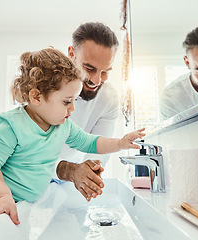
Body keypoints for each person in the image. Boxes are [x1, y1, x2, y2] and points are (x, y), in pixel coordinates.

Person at [0, 48, 145, 231]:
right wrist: (1, 196)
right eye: (67, 101)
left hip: (19, 202)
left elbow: (91, 142)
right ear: (36, 96)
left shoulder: (62, 126)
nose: (72, 108)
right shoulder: (12, 125)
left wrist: (120, 143)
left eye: (75, 100)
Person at [55, 22, 120, 200]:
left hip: (55, 184)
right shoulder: (46, 89)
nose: (96, 80)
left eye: (105, 72)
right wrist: (72, 171)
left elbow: (98, 149)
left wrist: (90, 173)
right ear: (71, 54)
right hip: (3, 188)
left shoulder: (108, 98)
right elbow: (31, 157)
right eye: (89, 68)